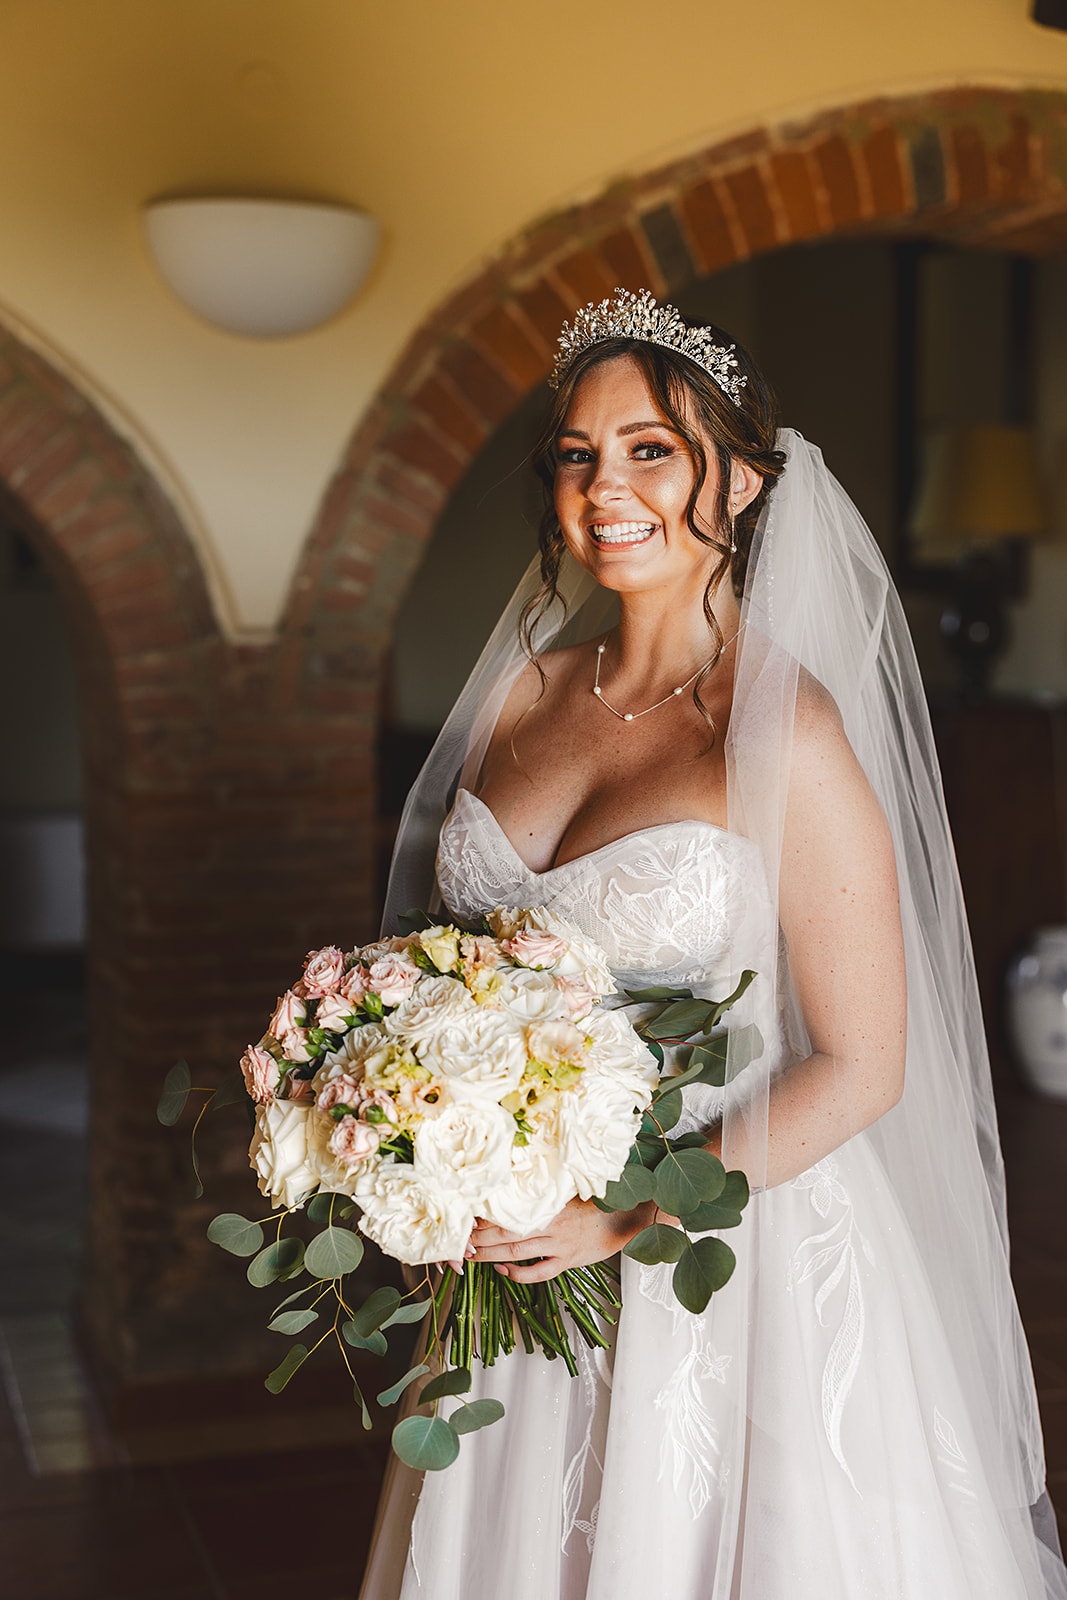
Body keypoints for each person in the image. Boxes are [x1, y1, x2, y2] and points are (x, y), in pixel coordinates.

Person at [359, 288, 1067, 1599]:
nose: (605, 486)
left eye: (652, 450)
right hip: (520, 1250)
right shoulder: (521, 695)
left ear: (741, 483)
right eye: (578, 454)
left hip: (727, 1259)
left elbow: (863, 1065)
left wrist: (623, 1216)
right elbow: (441, 976)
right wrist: (414, 1126)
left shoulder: (787, 731)